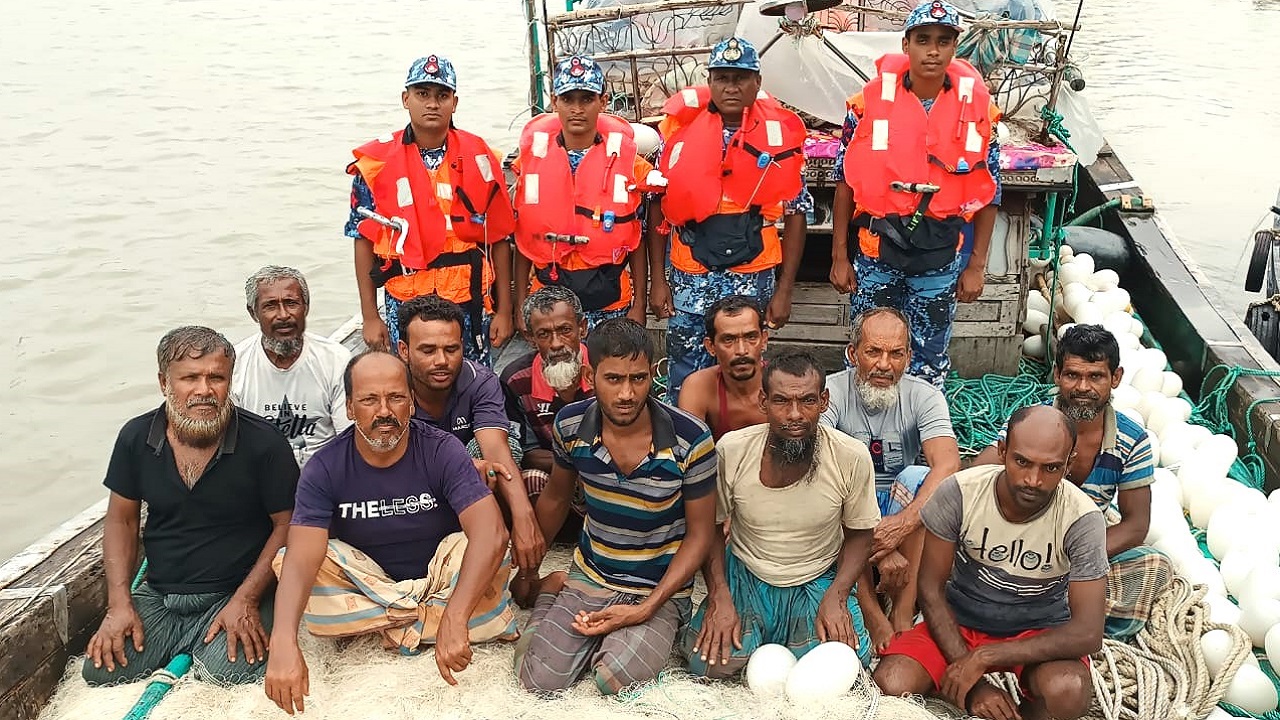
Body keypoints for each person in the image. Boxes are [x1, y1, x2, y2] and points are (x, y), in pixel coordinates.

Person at [263, 351, 516, 713]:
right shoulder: (324, 466)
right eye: (369, 400)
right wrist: (284, 640)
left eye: (396, 397)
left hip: (438, 578)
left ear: (411, 403)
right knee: (288, 562)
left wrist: (456, 616)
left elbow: (492, 534)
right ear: (349, 408)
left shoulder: (443, 450)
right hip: (368, 580)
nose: (384, 411)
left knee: (485, 549)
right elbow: (303, 557)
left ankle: (390, 624)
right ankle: (429, 621)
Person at [83, 327, 299, 687]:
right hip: (162, 592)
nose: (204, 390)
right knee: (102, 671)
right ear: (164, 382)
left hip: (237, 588)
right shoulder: (135, 438)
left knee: (224, 673)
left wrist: (246, 599)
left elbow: (289, 525)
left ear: (230, 381)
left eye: (216, 377)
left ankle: (204, 641)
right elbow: (121, 521)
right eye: (189, 378)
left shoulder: (264, 443)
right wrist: (119, 603)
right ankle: (187, 640)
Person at [513, 319, 718, 695]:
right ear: (590, 375)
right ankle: (553, 592)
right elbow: (557, 498)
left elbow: (701, 534)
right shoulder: (570, 424)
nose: (627, 393)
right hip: (592, 575)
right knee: (538, 680)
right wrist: (529, 567)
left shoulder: (691, 438)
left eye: (637, 378)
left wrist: (647, 608)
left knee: (615, 680)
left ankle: (635, 633)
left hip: (657, 588)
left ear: (652, 376)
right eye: (614, 379)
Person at [874, 405, 1105, 720]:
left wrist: (985, 657)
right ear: (1002, 451)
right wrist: (976, 686)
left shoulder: (1082, 519)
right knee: (892, 681)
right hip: (961, 622)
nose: (1033, 480)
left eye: (1050, 468)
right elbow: (930, 588)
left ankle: (1025, 712)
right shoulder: (960, 493)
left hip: (1039, 630)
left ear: (1068, 465)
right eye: (1021, 462)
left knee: (1069, 691)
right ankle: (967, 694)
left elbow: (1088, 633)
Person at [830, 0, 1003, 390]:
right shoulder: (864, 109)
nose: (933, 50)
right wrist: (839, 255)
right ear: (906, 45)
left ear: (954, 48)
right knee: (867, 352)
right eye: (923, 40)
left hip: (939, 257)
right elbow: (844, 182)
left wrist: (976, 266)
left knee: (928, 360)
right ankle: (858, 439)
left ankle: (921, 441)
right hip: (876, 254)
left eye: (943, 41)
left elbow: (989, 193)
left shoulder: (978, 114)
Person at [681, 349, 880, 678]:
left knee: (846, 665)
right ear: (763, 402)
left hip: (816, 578)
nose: (795, 414)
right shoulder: (732, 450)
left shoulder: (852, 456)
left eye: (807, 401)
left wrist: (838, 595)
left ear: (825, 400)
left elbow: (860, 533)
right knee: (709, 664)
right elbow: (711, 527)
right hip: (746, 574)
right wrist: (719, 595)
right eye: (781, 402)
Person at [972, 324, 1164, 639]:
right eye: (1073, 375)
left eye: (1096, 377)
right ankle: (1059, 612)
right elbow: (977, 477)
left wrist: (1075, 558)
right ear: (1057, 374)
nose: (1083, 387)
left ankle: (1057, 613)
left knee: (1154, 564)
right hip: (1015, 541)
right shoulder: (1032, 421)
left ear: (1115, 378)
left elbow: (1135, 525)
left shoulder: (1132, 439)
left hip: (1079, 548)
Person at [649, 37, 810, 403]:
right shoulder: (677, 135)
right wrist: (658, 282)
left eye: (740, 78)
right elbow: (657, 206)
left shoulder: (778, 139)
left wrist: (785, 292)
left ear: (757, 82)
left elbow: (798, 212)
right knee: (685, 374)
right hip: (692, 282)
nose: (731, 87)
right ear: (710, 81)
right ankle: (690, 447)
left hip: (751, 282)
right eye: (722, 78)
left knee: (747, 382)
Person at [345, 54, 516, 365]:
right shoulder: (375, 164)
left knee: (472, 384)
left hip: (468, 301)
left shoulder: (481, 156)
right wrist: (370, 316)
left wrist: (505, 309)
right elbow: (363, 239)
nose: (433, 104)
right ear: (405, 99)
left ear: (455, 101)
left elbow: (500, 238)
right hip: (407, 303)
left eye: (442, 95)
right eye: (422, 94)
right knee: (410, 386)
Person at [820, 307, 960, 653]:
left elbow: (948, 465)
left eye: (896, 354)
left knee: (922, 478)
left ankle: (901, 612)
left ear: (909, 357)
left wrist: (900, 526)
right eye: (873, 352)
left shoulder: (925, 396)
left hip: (898, 506)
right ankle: (870, 610)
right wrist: (881, 547)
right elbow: (822, 461)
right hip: (850, 506)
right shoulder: (830, 392)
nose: (884, 364)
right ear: (853, 354)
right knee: (832, 482)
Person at [396, 294, 545, 574]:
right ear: (404, 350)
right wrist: (456, 468)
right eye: (428, 350)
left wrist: (524, 517)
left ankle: (493, 536)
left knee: (500, 457)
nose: (441, 361)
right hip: (415, 485)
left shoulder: (481, 381)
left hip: (475, 485)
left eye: (451, 349)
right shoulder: (389, 387)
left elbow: (496, 449)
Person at [512, 55, 659, 330]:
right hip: (550, 306)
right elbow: (524, 237)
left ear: (603, 102)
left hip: (610, 303)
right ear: (554, 102)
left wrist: (639, 304)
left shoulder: (631, 166)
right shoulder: (528, 164)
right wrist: (520, 303)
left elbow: (636, 238)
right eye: (568, 99)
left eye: (587, 99)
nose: (577, 109)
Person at [232, 265, 352, 467]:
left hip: (323, 478)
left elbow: (348, 440)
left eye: (291, 303)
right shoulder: (235, 364)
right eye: (270, 306)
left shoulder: (336, 360)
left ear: (306, 307)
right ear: (254, 313)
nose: (283, 315)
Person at [500, 286, 592, 524]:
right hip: (556, 484)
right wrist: (579, 463)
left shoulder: (605, 367)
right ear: (530, 338)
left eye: (565, 331)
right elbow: (526, 453)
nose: (556, 344)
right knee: (530, 480)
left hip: (606, 477)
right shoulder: (516, 379)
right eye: (544, 334)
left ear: (582, 328)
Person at [677, 295, 769, 440]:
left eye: (751, 337)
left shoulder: (784, 383)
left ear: (763, 340)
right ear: (711, 346)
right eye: (728, 340)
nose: (741, 350)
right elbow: (689, 451)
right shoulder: (699, 386)